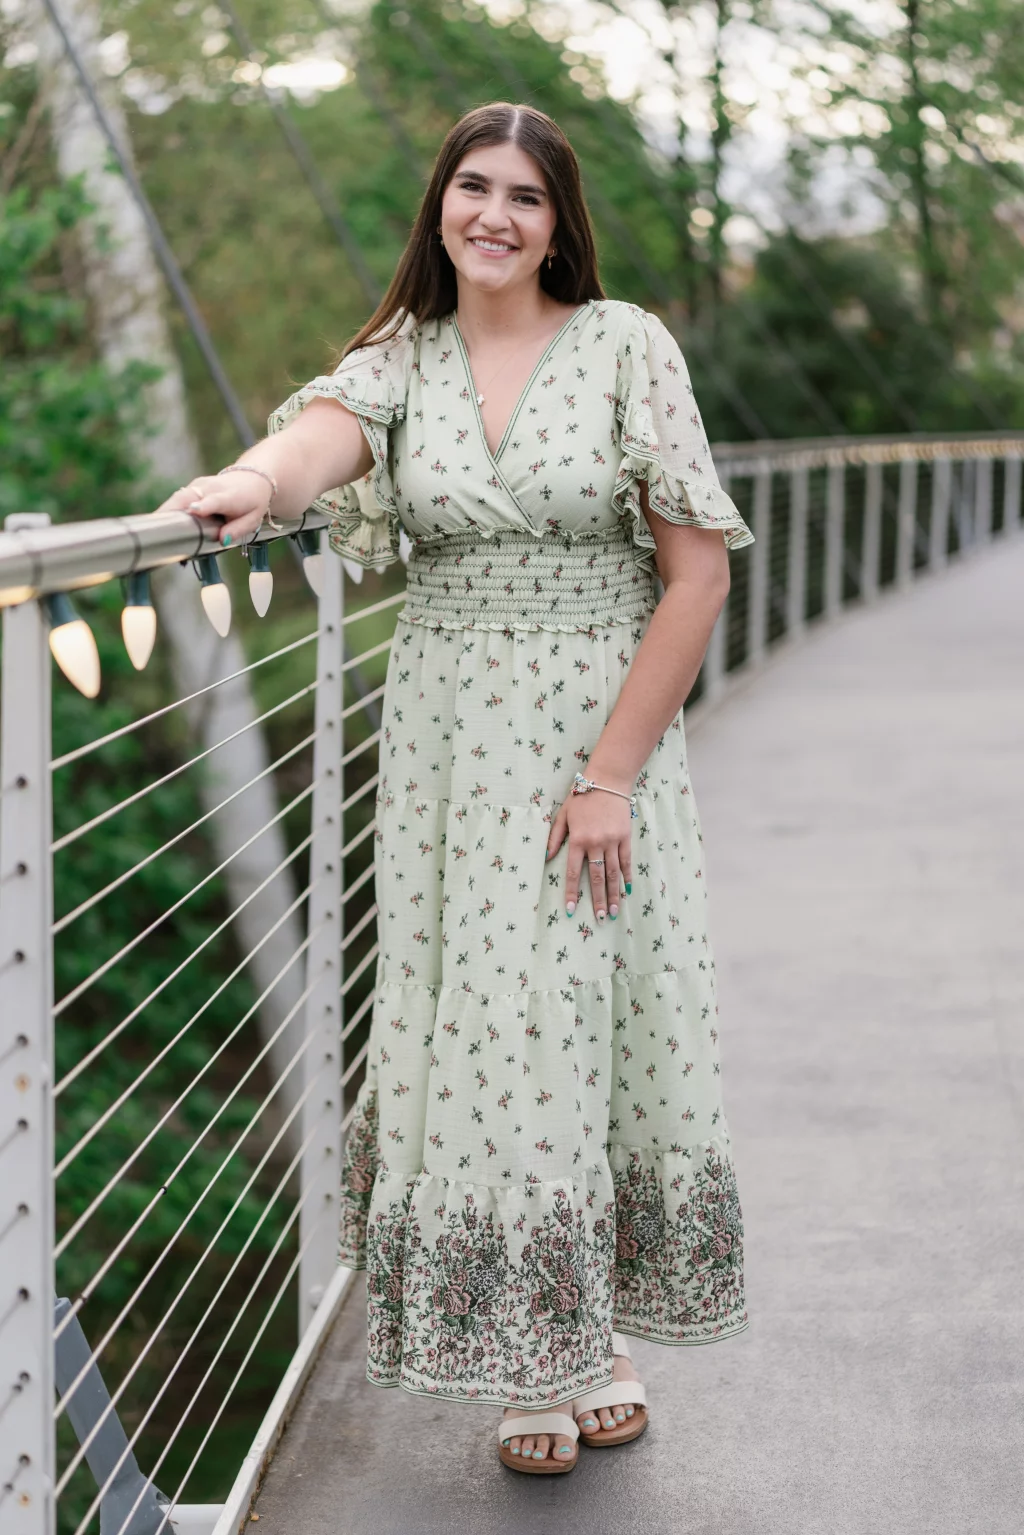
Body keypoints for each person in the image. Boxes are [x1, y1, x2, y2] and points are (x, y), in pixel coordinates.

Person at [158, 101, 753, 1474]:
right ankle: (542, 1356)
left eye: (525, 197)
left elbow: (698, 574)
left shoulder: (624, 347)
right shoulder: (400, 360)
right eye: (472, 187)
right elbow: (317, 439)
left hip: (595, 730)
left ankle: (581, 1328)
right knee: (483, 1021)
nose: (493, 214)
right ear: (441, 204)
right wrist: (246, 482)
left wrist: (608, 774)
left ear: (560, 225)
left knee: (576, 1011)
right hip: (446, 740)